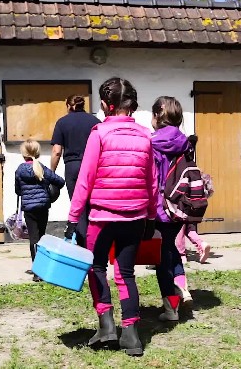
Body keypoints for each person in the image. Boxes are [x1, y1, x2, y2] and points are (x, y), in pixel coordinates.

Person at [65, 77, 157, 356]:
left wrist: (72, 217)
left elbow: (86, 179)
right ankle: (131, 334)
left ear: (106, 105)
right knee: (126, 273)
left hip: (102, 218)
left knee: (96, 268)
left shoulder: (99, 134)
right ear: (131, 105)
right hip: (135, 217)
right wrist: (151, 216)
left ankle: (106, 324)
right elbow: (152, 181)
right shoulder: (145, 136)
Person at [150, 96, 192, 316]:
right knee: (171, 248)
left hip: (159, 207)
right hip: (180, 205)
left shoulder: (152, 142)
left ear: (157, 115)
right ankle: (182, 288)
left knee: (162, 257)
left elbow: (151, 178)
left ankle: (171, 306)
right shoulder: (186, 142)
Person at [50, 95, 100, 247]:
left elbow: (57, 151)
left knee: (78, 206)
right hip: (93, 165)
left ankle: (84, 246)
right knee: (94, 205)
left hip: (73, 166)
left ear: (68, 105)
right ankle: (96, 243)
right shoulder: (95, 122)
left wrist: (52, 172)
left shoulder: (62, 122)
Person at [15, 139, 65, 282]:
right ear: (37, 153)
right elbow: (60, 181)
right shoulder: (41, 168)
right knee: (42, 237)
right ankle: (43, 267)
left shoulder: (19, 170)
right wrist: (46, 185)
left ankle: (37, 272)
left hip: (29, 208)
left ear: (23, 154)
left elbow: (18, 190)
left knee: (34, 238)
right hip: (43, 206)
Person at [174, 135, 211, 265]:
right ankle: (202, 244)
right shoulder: (194, 166)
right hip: (197, 204)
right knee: (191, 230)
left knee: (180, 231)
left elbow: (180, 188)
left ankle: (181, 255)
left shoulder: (182, 165)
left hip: (185, 204)